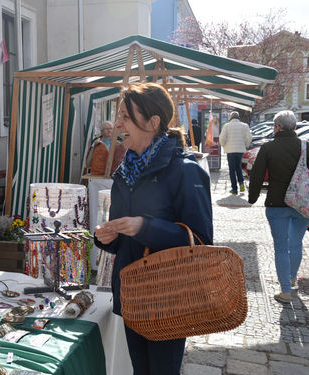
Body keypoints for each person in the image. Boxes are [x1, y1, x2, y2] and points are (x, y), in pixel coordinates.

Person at [94, 82, 213, 375]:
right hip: (133, 295)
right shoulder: (124, 171)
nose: (118, 123)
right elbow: (123, 235)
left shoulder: (186, 170)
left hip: (170, 298)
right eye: (118, 116)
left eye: (125, 116)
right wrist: (106, 238)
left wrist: (145, 227)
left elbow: (200, 242)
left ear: (152, 122)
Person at [248, 110, 309, 304]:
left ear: (277, 127)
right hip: (301, 204)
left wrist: (252, 197)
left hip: (277, 204)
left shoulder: (268, 147)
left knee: (281, 248)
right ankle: (291, 278)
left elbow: (257, 174)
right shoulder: (306, 146)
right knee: (296, 243)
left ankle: (285, 290)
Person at [219, 111, 252, 194]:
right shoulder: (245, 126)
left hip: (230, 150)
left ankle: (234, 188)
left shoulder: (226, 126)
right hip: (240, 150)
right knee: (238, 167)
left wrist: (224, 146)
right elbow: (249, 138)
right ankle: (241, 183)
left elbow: (221, 138)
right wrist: (245, 145)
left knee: (232, 169)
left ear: (231, 117)